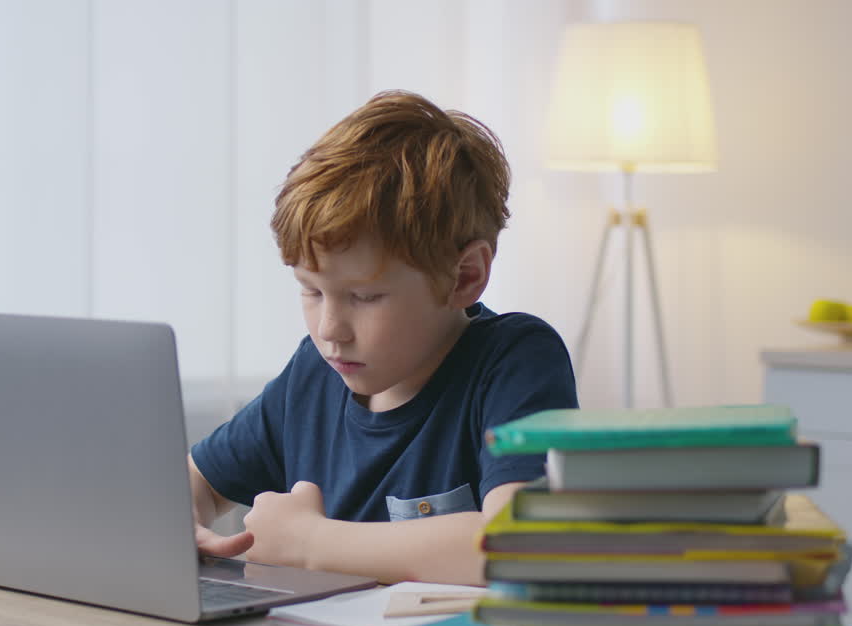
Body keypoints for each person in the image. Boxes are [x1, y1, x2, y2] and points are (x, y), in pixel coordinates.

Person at [188, 90, 578, 586]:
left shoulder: (515, 360)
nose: (330, 330)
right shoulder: (313, 372)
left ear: (464, 277)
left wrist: (310, 543)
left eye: (366, 298)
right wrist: (187, 522)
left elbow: (518, 545)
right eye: (311, 291)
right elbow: (194, 481)